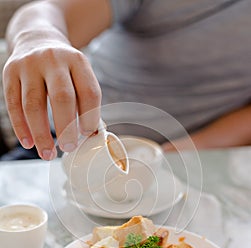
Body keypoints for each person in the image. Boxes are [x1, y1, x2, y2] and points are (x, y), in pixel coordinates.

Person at [2, 0, 251, 160]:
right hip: (63, 145)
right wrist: (37, 37)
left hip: (194, 159)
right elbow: (49, 11)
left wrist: (190, 148)